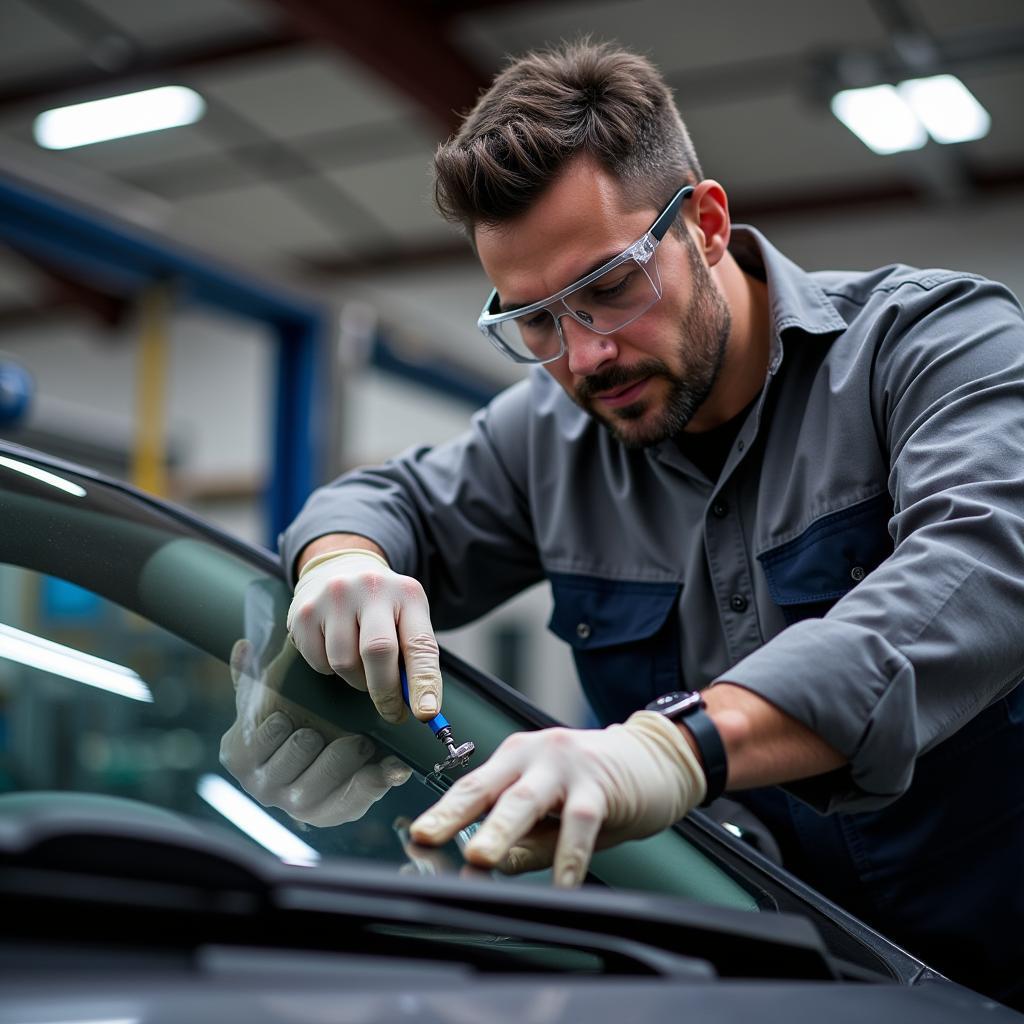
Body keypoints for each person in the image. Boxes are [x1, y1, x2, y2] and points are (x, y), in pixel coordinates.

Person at [249, 41, 1024, 1005]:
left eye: (610, 285)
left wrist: (672, 746)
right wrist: (340, 563)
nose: (585, 356)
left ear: (704, 223)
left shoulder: (930, 348)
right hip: (739, 991)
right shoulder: (546, 437)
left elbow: (984, 569)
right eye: (533, 319)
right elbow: (384, 503)